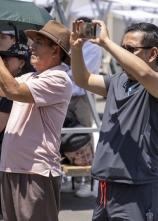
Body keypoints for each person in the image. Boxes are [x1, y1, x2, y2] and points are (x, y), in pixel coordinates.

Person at [70, 20, 158, 220]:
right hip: (105, 188)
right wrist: (76, 49)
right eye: (123, 48)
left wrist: (106, 43)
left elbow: (145, 73)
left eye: (130, 49)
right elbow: (82, 79)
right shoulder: (118, 80)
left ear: (152, 53)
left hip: (137, 188)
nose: (123, 54)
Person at [0, 20, 73, 221]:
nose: (31, 47)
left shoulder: (59, 79)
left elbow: (12, 90)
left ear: (55, 51)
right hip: (15, 167)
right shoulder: (31, 76)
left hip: (36, 172)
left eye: (38, 43)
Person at [0, 43, 35, 221]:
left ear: (22, 63)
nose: (4, 61)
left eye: (9, 58)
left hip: (8, 157)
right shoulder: (13, 89)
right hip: (7, 155)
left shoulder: (20, 90)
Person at [61, 16, 102, 197]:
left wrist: (66, 72)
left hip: (84, 96)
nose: (81, 31)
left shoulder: (93, 47)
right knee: (65, 135)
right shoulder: (70, 44)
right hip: (66, 95)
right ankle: (73, 178)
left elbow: (80, 74)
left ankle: (86, 180)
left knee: (85, 135)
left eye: (84, 27)